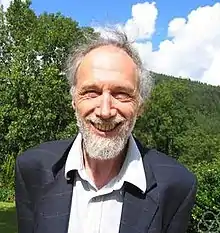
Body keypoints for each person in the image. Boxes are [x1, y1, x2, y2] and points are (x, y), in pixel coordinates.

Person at [15, 30, 197, 233]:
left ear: (140, 105)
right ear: (74, 100)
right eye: (91, 92)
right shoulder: (32, 169)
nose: (105, 111)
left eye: (121, 94)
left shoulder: (177, 185)